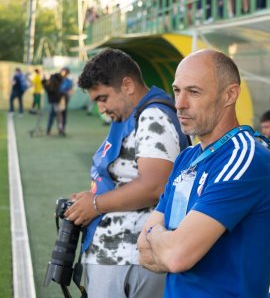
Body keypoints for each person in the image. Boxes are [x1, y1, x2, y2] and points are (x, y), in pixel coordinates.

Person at [137, 49, 270, 297]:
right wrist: (167, 244)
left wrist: (157, 234)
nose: (179, 104)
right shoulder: (187, 158)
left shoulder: (246, 159)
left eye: (194, 92)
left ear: (230, 95)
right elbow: (142, 252)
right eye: (177, 90)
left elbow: (176, 257)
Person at [64, 48, 189, 298]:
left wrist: (96, 204)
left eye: (103, 98)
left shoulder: (153, 115)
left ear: (128, 85)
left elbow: (155, 185)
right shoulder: (138, 114)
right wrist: (91, 199)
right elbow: (130, 178)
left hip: (130, 256)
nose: (101, 108)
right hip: (120, 255)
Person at [59, 67, 74, 135]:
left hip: (64, 99)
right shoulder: (58, 80)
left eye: (65, 72)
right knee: (57, 114)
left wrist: (68, 96)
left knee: (63, 114)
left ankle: (62, 128)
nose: (64, 73)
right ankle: (58, 128)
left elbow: (70, 91)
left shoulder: (69, 81)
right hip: (57, 99)